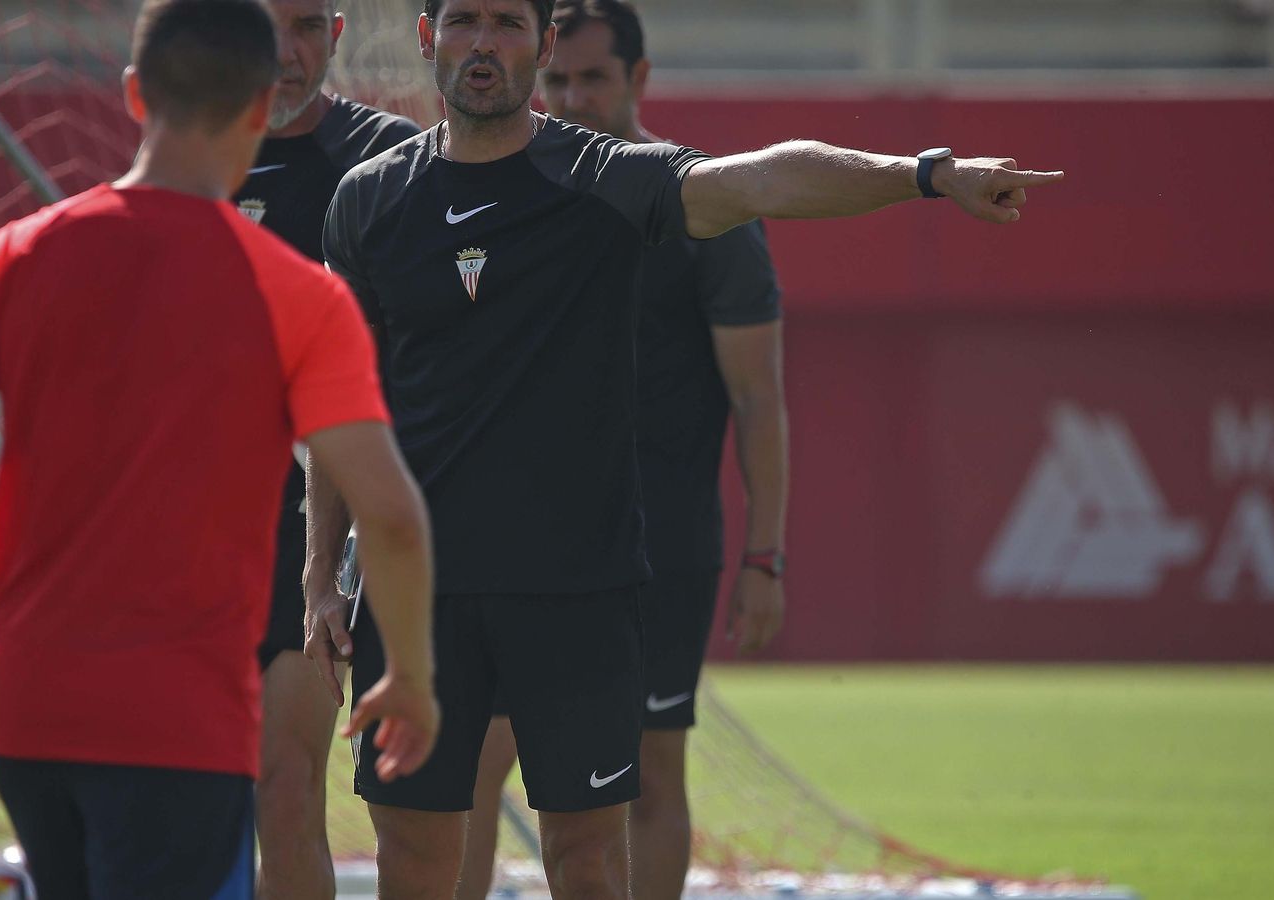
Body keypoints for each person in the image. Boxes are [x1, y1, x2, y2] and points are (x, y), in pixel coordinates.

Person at [312, 1, 1062, 897]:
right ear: (427, 36)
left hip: (579, 592)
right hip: (415, 595)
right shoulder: (368, 199)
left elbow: (766, 182)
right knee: (417, 855)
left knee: (587, 856)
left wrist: (930, 173)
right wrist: (322, 572)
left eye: (510, 22)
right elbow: (341, 408)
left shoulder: (604, 180)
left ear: (543, 45)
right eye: (464, 19)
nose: (485, 43)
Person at [0, 1, 438, 896]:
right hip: (180, 715)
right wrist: (415, 677)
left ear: (130, 96)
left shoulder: (16, 254)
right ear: (255, 109)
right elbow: (391, 516)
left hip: (28, 707)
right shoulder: (300, 296)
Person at [456, 2, 787, 897]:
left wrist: (766, 554)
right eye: (559, 78)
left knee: (645, 770)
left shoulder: (698, 205)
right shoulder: (500, 193)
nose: (572, 97)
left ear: (638, 81)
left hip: (657, 547)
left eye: (593, 79)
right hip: (513, 541)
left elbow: (758, 396)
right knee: (473, 765)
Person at [232, 1, 423, 896]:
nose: (285, 51)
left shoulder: (388, 163)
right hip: (193, 526)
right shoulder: (185, 165)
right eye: (263, 25)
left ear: (338, 33)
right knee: (184, 796)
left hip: (316, 520)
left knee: (285, 786)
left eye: (306, 24)